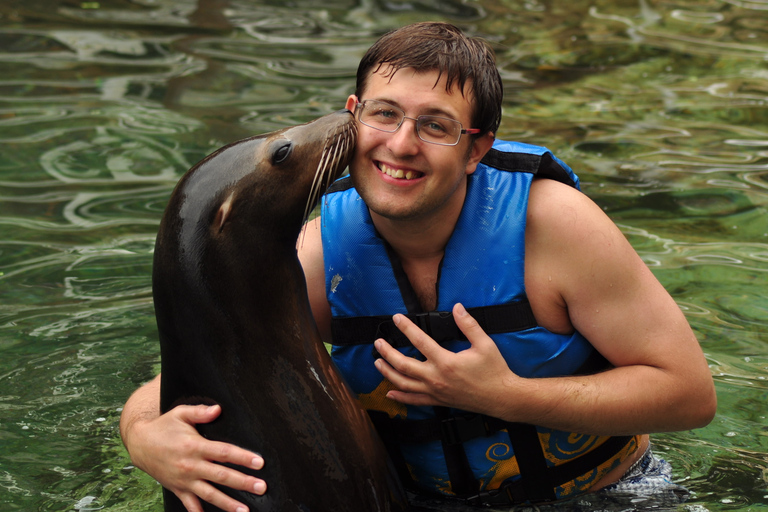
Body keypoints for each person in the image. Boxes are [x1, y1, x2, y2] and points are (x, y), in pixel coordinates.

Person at [120, 22, 716, 512]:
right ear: (355, 117)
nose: (401, 145)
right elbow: (207, 361)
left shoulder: (557, 229)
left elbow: (689, 395)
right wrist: (144, 435)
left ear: (476, 147)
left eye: (435, 125)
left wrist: (509, 396)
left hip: (603, 497)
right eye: (384, 115)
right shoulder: (326, 252)